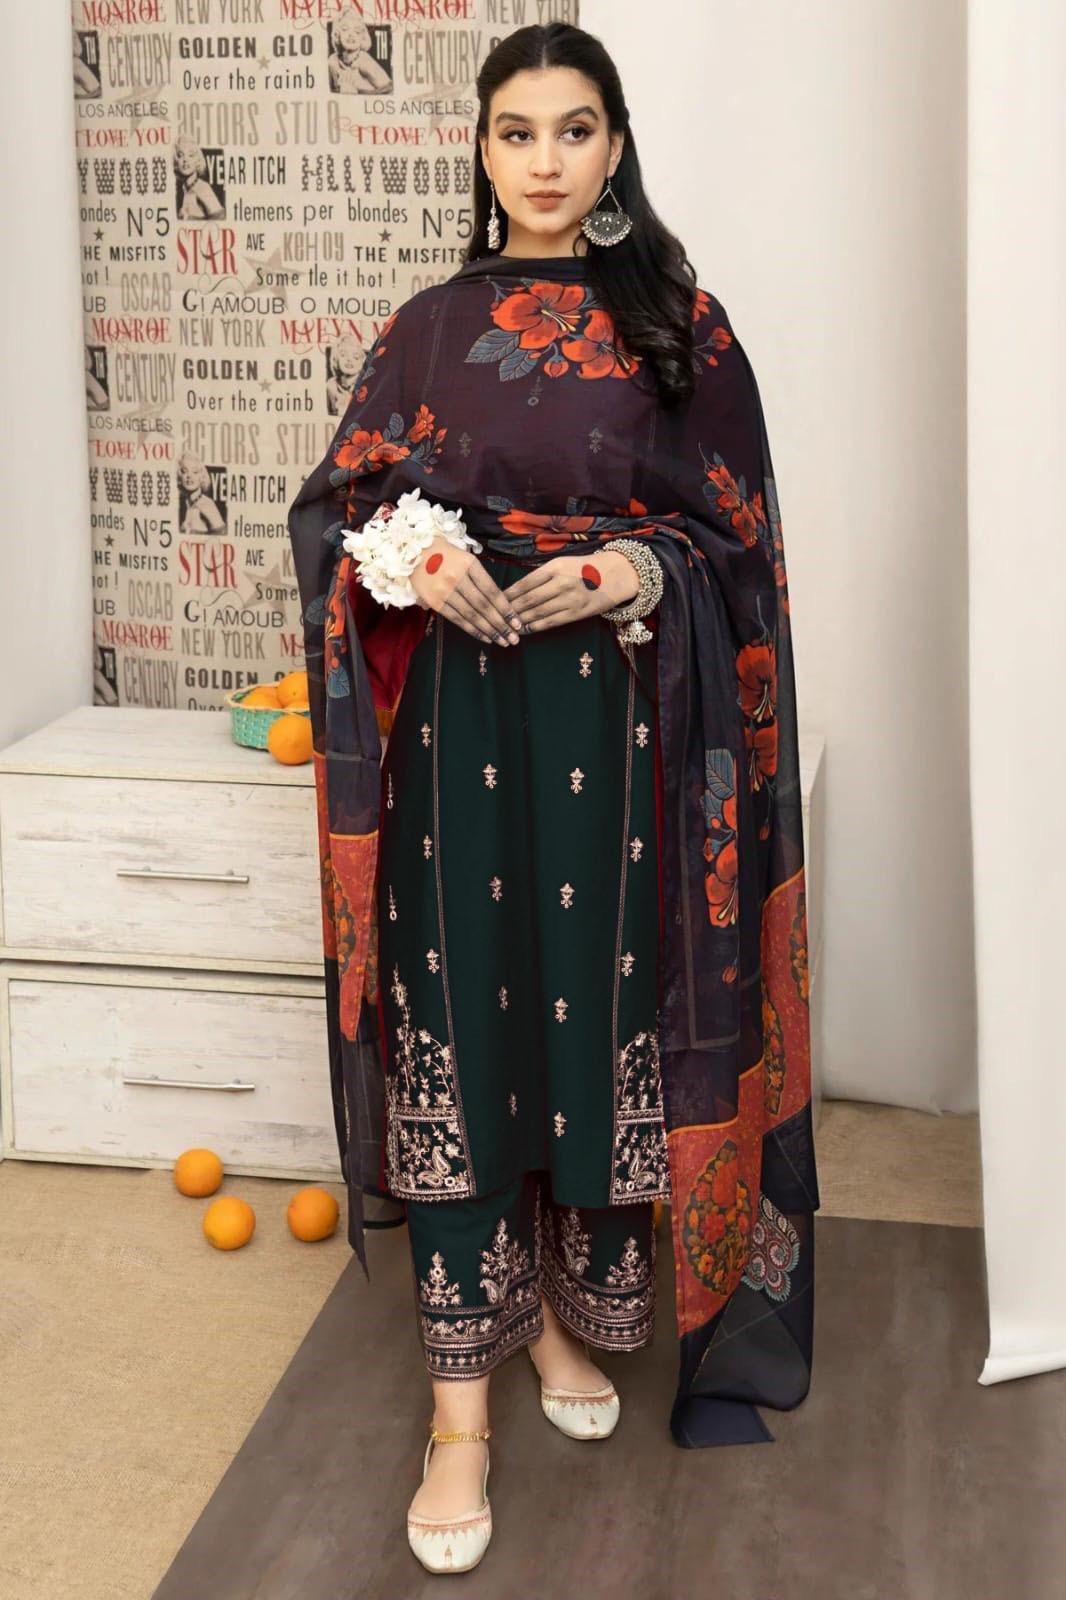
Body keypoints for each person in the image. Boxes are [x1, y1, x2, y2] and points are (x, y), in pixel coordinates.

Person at [287, 21, 821, 1576]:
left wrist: (628, 569)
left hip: (625, 725)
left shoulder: (681, 327)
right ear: (480, 147)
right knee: (466, 1020)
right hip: (457, 725)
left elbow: (737, 543)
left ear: (614, 145)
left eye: (572, 130)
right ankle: (458, 1411)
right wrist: (411, 558)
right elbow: (338, 506)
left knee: (591, 1022)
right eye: (514, 131)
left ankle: (558, 1326)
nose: (542, 160)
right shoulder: (427, 331)